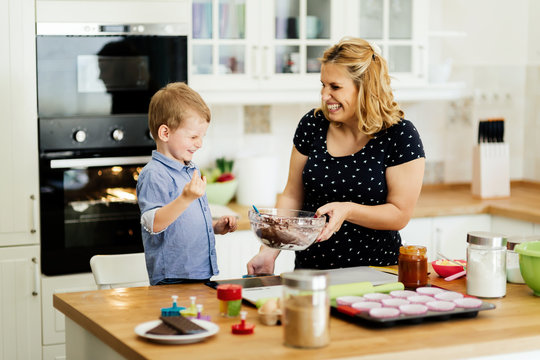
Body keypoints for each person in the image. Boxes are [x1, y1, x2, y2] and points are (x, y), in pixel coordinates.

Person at [247, 37, 425, 274]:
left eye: (335, 87)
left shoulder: (399, 135)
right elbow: (292, 195)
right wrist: (269, 251)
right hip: (311, 271)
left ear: (365, 87)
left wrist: (348, 210)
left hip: (376, 273)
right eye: (323, 85)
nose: (324, 95)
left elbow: (399, 214)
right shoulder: (313, 124)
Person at [137, 82, 238, 285]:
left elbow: (184, 222)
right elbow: (153, 223)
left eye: (202, 136)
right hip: (173, 278)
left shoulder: (190, 169)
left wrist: (215, 227)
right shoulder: (154, 174)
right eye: (193, 136)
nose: (199, 143)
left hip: (198, 273)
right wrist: (186, 198)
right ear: (165, 133)